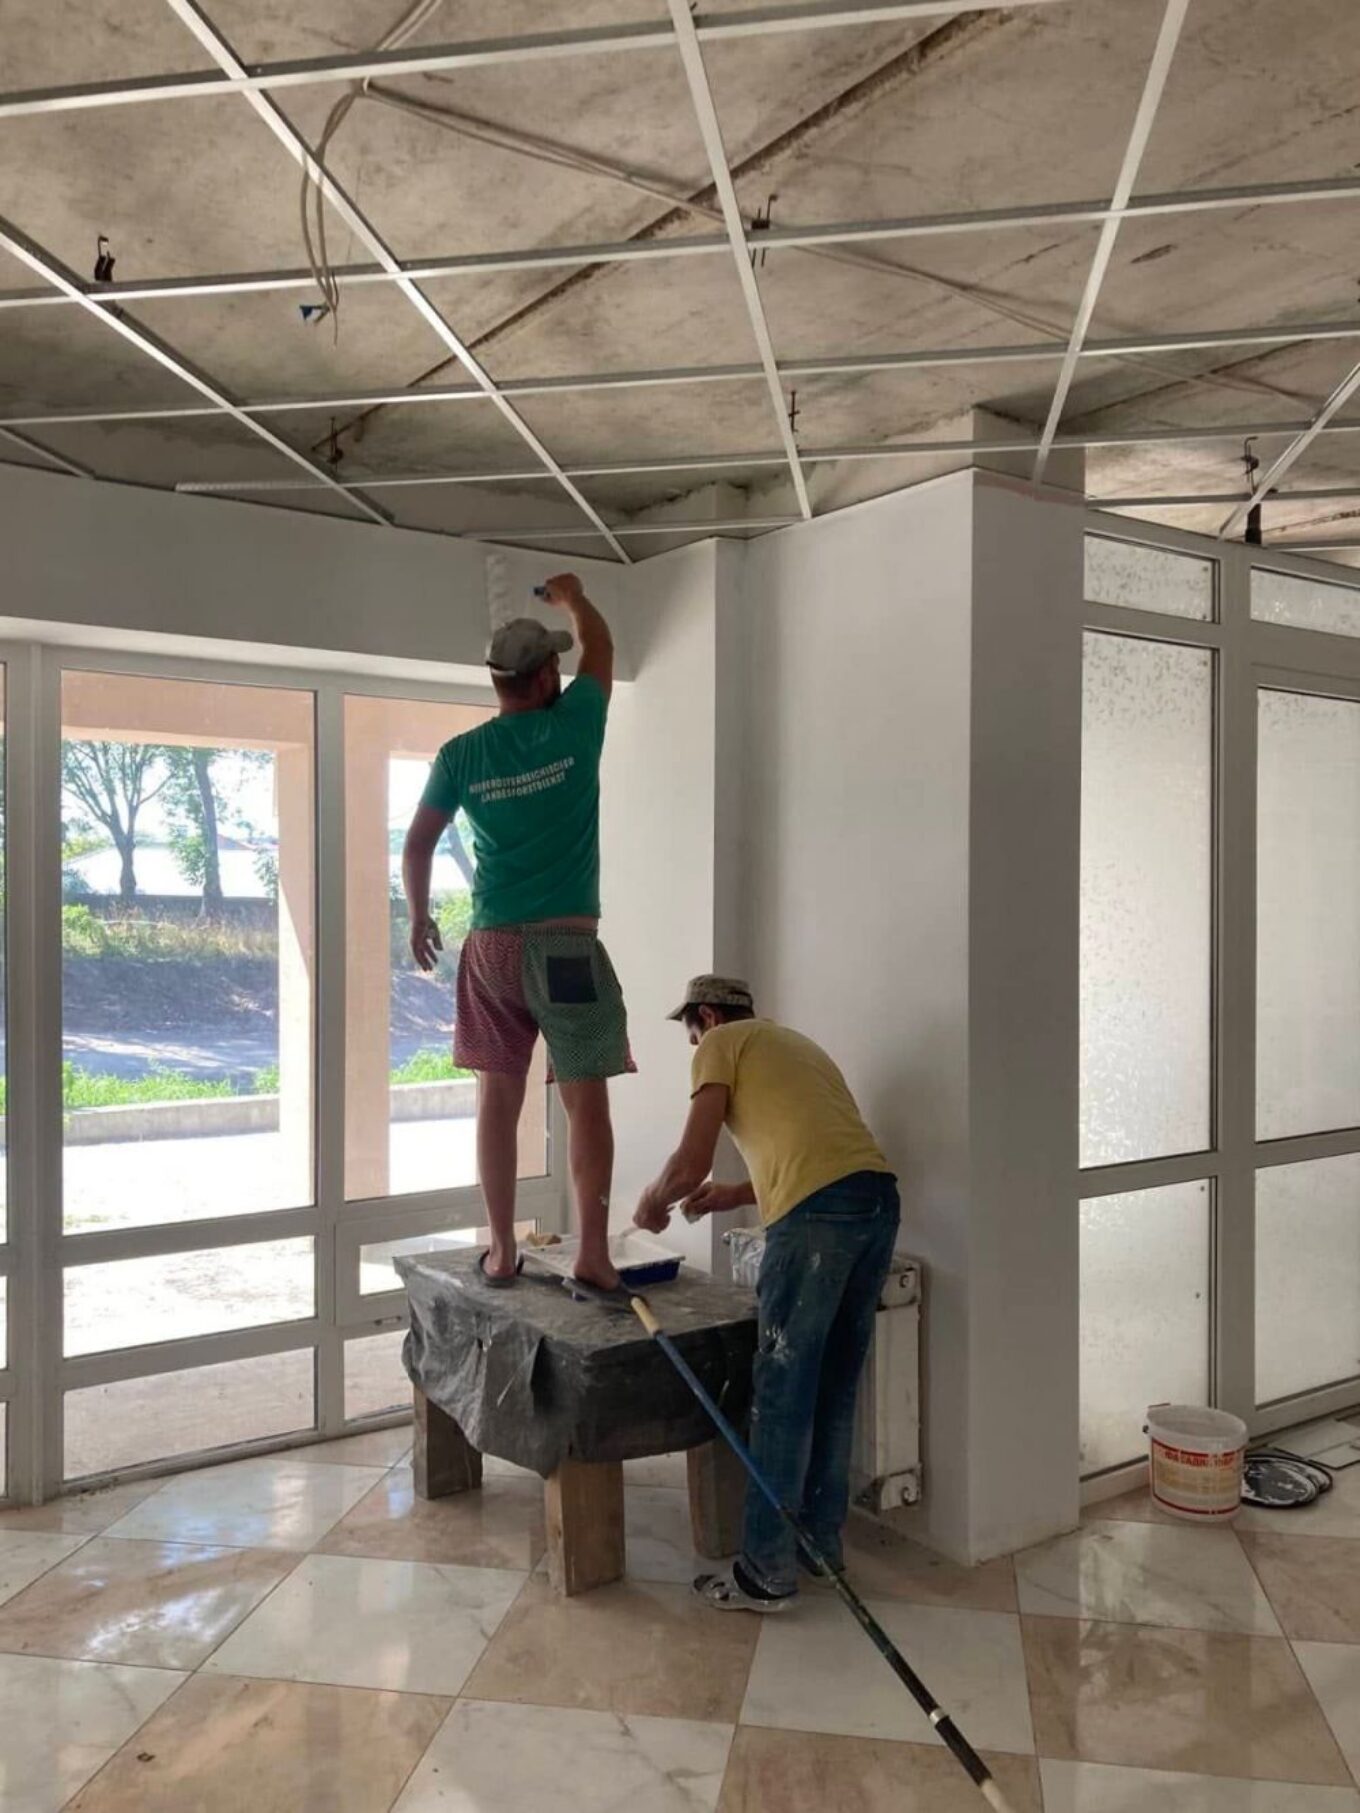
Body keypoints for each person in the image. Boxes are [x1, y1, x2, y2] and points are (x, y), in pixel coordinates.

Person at [635, 976, 899, 1612]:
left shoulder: (720, 1044)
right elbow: (825, 1160)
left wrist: (649, 1204)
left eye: (692, 1035)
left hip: (817, 1221)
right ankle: (819, 1548)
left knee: (782, 1390)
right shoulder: (797, 1047)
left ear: (707, 1016)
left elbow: (690, 1162)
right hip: (876, 1204)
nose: (695, 1049)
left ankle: (765, 1571)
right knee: (833, 1386)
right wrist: (733, 1195)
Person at [404, 574, 631, 1292]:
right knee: (584, 1100)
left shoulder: (461, 754)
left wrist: (419, 914)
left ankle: (502, 1251)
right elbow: (602, 649)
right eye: (554, 667)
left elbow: (418, 843)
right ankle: (593, 1255)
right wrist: (575, 598)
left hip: (492, 948)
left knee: (497, 1100)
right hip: (566, 948)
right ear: (544, 678)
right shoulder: (575, 723)